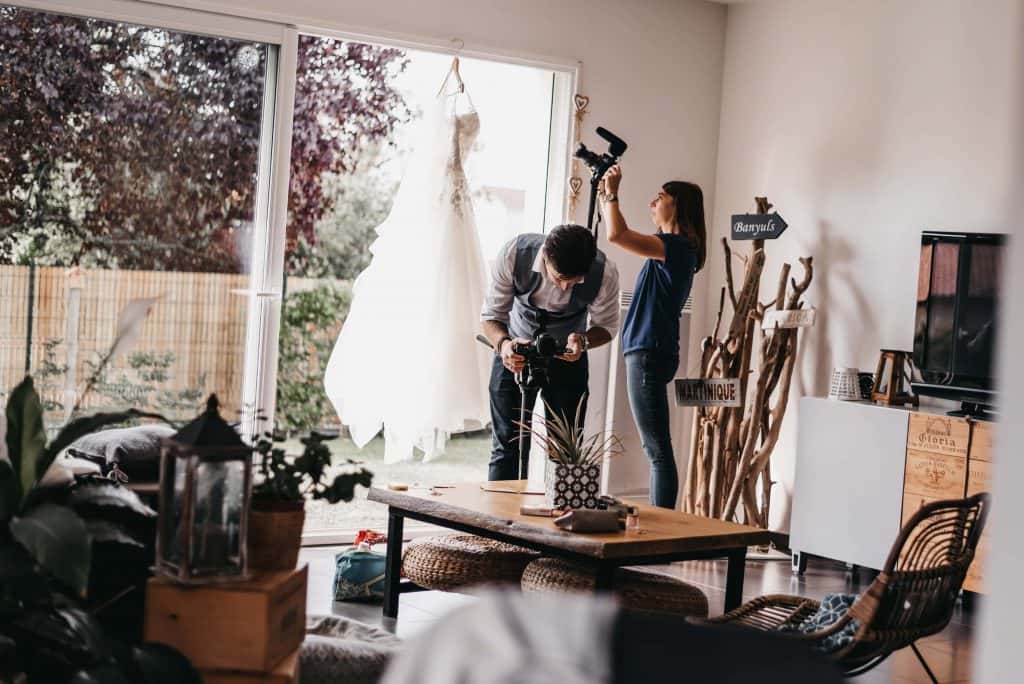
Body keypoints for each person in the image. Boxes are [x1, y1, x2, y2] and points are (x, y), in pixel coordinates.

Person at [599, 165, 706, 508]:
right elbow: (615, 232)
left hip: (648, 352)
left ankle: (664, 529)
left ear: (677, 207)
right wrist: (606, 197)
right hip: (648, 351)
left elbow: (617, 236)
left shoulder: (675, 248)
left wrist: (614, 194)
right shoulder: (672, 249)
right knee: (655, 447)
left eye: (660, 197)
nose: (652, 202)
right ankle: (664, 524)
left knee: (657, 449)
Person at [480, 225, 620, 481]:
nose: (566, 287)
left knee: (566, 452)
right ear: (544, 255)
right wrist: (503, 345)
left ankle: (558, 517)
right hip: (514, 351)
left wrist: (584, 341)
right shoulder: (514, 253)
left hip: (568, 357)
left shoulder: (605, 272)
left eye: (575, 281)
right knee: (506, 447)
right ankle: (499, 519)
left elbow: (607, 327)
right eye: (559, 278)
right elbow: (491, 317)